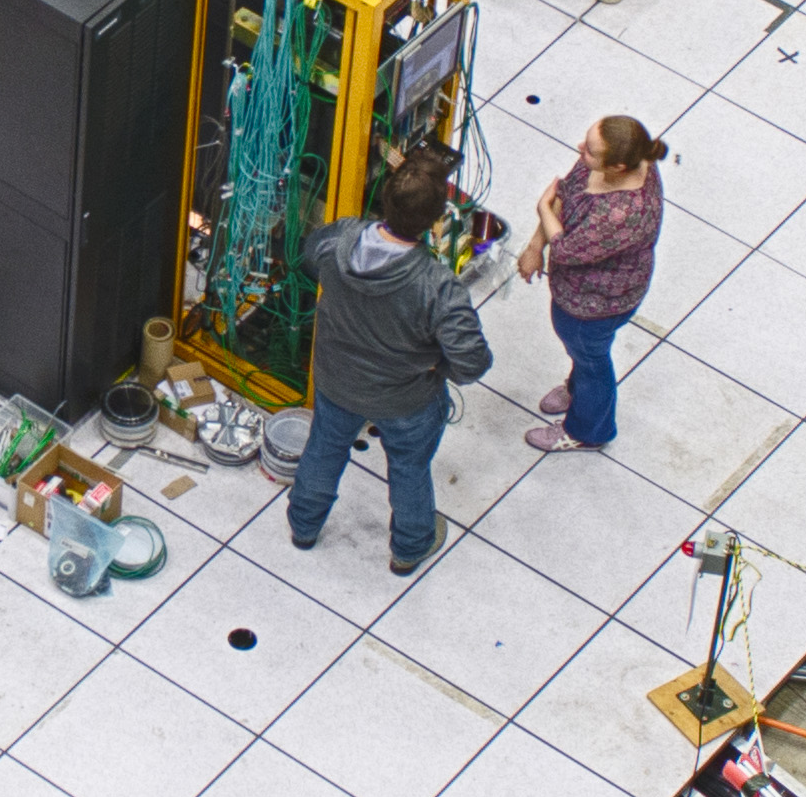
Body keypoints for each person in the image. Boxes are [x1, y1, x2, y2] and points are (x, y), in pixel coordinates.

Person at [283, 142, 495, 574]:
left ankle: (303, 526)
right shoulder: (437, 286)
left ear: (385, 200)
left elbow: (308, 254)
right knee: (409, 469)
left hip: (336, 382)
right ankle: (410, 547)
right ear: (435, 221)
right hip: (406, 402)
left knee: (324, 449)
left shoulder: (339, 241)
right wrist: (440, 367)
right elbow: (473, 363)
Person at [527, 117, 670, 453]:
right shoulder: (624, 158)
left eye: (590, 151)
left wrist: (542, 208)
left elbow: (565, 247)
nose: (580, 151)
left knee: (592, 360)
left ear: (618, 166)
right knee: (584, 353)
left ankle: (587, 429)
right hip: (583, 293)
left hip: (597, 304)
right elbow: (566, 192)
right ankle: (577, 388)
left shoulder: (622, 214)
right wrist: (535, 244)